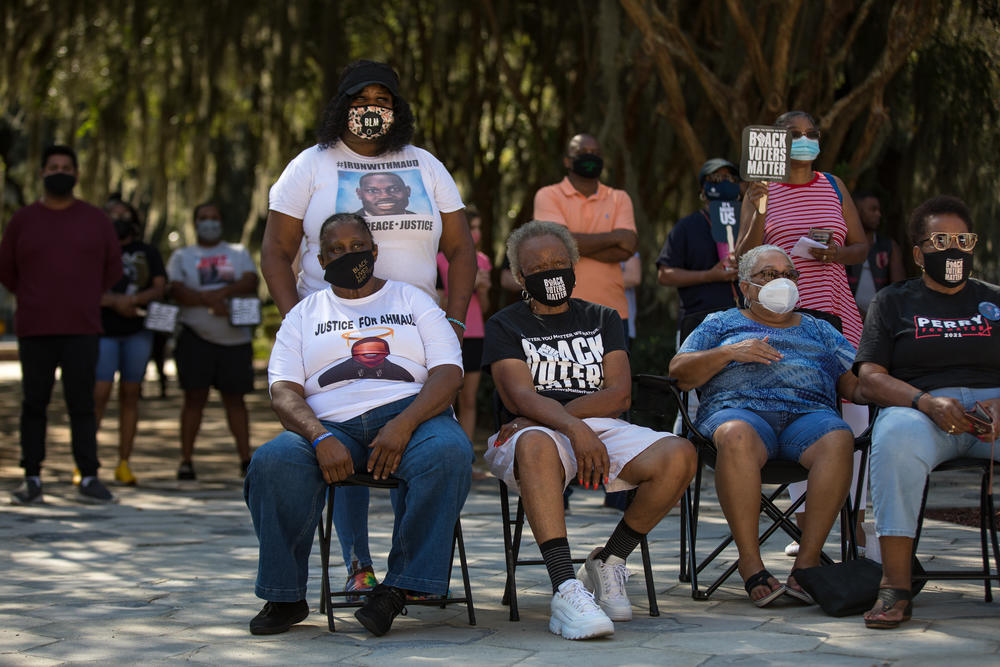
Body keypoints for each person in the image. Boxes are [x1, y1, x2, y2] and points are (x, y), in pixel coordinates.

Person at [262, 59, 476, 601]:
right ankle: (358, 563)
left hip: (415, 330)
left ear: (397, 110)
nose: (371, 111)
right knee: (343, 425)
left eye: (382, 101)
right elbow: (276, 250)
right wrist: (296, 318)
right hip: (332, 327)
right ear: (341, 106)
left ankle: (411, 576)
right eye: (360, 101)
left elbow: (461, 248)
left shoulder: (424, 164)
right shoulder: (311, 165)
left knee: (428, 441)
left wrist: (452, 316)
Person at [245, 213, 472, 637]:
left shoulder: (413, 300)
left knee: (449, 452)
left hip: (413, 416)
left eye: (357, 247)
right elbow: (284, 392)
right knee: (272, 462)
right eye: (336, 250)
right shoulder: (302, 315)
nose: (349, 255)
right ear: (318, 258)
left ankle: (398, 589)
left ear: (375, 250)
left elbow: (448, 372)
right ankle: (284, 594)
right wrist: (320, 436)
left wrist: (405, 424)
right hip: (331, 424)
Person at [483, 221, 695, 639]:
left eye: (559, 262)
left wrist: (557, 415)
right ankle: (565, 587)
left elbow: (618, 395)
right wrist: (569, 427)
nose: (551, 272)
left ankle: (610, 561)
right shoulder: (505, 325)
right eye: (538, 267)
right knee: (536, 443)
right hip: (533, 435)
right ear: (521, 277)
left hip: (594, 425)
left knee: (680, 454)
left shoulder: (603, 317)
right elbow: (519, 398)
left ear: (575, 265)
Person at [669, 244, 864, 607]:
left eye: (789, 274)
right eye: (769, 275)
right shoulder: (721, 322)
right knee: (736, 435)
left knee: (839, 437)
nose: (782, 282)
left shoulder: (820, 329)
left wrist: (891, 381)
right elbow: (678, 374)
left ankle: (806, 566)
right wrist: (729, 352)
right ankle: (751, 563)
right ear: (746, 286)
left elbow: (856, 383)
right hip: (739, 417)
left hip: (807, 419)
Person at [855, 196, 1000, 629]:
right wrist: (925, 403)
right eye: (940, 240)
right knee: (894, 436)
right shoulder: (892, 301)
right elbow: (869, 378)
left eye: (962, 239)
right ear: (918, 253)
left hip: (993, 411)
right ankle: (895, 586)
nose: (953, 249)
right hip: (921, 410)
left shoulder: (994, 299)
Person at [735, 110, 870, 557]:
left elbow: (860, 246)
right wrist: (756, 206)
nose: (805, 141)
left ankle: (856, 521)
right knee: (795, 404)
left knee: (853, 411)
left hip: (835, 311)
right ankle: (802, 521)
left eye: (812, 134)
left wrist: (834, 253)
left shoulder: (832, 184)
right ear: (775, 142)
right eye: (794, 135)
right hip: (782, 319)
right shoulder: (762, 188)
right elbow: (743, 257)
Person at [0, 145, 120, 504]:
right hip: (35, 327)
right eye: (52, 166)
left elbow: (112, 268)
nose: (59, 171)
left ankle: (88, 476)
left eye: (66, 166)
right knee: (34, 404)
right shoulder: (23, 220)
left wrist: (81, 296)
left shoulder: (95, 219)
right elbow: (6, 270)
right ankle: (32, 477)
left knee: (81, 404)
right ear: (41, 173)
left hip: (82, 326)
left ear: (77, 174)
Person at [166, 202, 258, 479]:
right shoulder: (182, 256)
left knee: (236, 401)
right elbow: (176, 289)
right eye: (203, 218)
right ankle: (186, 461)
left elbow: (250, 280)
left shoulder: (238, 253)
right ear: (195, 223)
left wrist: (219, 295)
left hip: (235, 341)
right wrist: (210, 301)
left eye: (214, 218)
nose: (209, 223)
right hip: (195, 338)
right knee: (194, 399)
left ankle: (245, 460)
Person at [533, 133, 637, 339]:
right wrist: (614, 236)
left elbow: (628, 247)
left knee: (615, 372)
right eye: (582, 153)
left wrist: (571, 243)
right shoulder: (548, 195)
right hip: (561, 309)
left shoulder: (619, 198)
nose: (590, 157)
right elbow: (554, 246)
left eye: (595, 153)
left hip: (613, 311)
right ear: (567, 161)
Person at [94, 197, 166, 485]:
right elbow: (81, 285)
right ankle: (85, 462)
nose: (120, 217)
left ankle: (124, 462)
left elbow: (160, 287)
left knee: (130, 393)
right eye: (113, 213)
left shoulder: (147, 251)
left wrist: (133, 300)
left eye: (125, 214)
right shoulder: (94, 250)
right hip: (102, 332)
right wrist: (113, 302)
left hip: (138, 332)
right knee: (98, 394)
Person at [656, 158, 741, 329]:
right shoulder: (686, 227)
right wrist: (708, 276)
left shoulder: (748, 224)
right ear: (703, 189)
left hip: (743, 315)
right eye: (716, 178)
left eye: (730, 178)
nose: (724, 182)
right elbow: (665, 274)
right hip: (699, 319)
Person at [436, 208, 491, 443]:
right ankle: (448, 448)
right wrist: (466, 284)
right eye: (472, 227)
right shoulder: (438, 259)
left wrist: (483, 289)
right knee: (448, 399)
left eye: (479, 228)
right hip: (448, 333)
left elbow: (485, 306)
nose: (476, 233)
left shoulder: (483, 261)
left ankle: (467, 455)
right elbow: (438, 302)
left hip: (476, 334)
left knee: (469, 399)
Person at [846, 192, 906, 319]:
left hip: (882, 318)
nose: (878, 214)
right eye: (872, 210)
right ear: (856, 212)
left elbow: (898, 289)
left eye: (879, 210)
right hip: (848, 317)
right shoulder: (843, 247)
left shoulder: (889, 246)